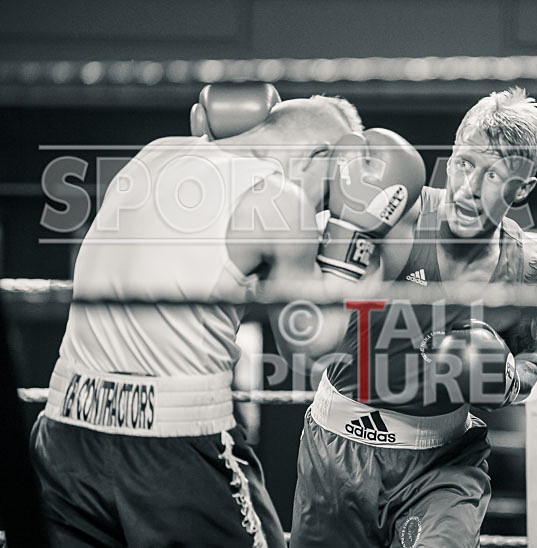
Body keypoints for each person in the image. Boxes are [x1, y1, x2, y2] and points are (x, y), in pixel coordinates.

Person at [30, 82, 426, 547]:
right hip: (172, 446)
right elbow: (309, 343)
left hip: (64, 429)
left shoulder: (157, 153)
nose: (323, 210)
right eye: (327, 198)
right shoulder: (280, 201)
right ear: (329, 161)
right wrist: (354, 241)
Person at [290, 87, 537, 548]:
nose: (469, 189)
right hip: (339, 452)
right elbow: (307, 314)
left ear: (524, 186)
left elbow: (529, 361)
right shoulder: (396, 219)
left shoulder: (527, 265)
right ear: (450, 157)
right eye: (465, 164)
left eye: (494, 175)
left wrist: (503, 376)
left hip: (444, 464)